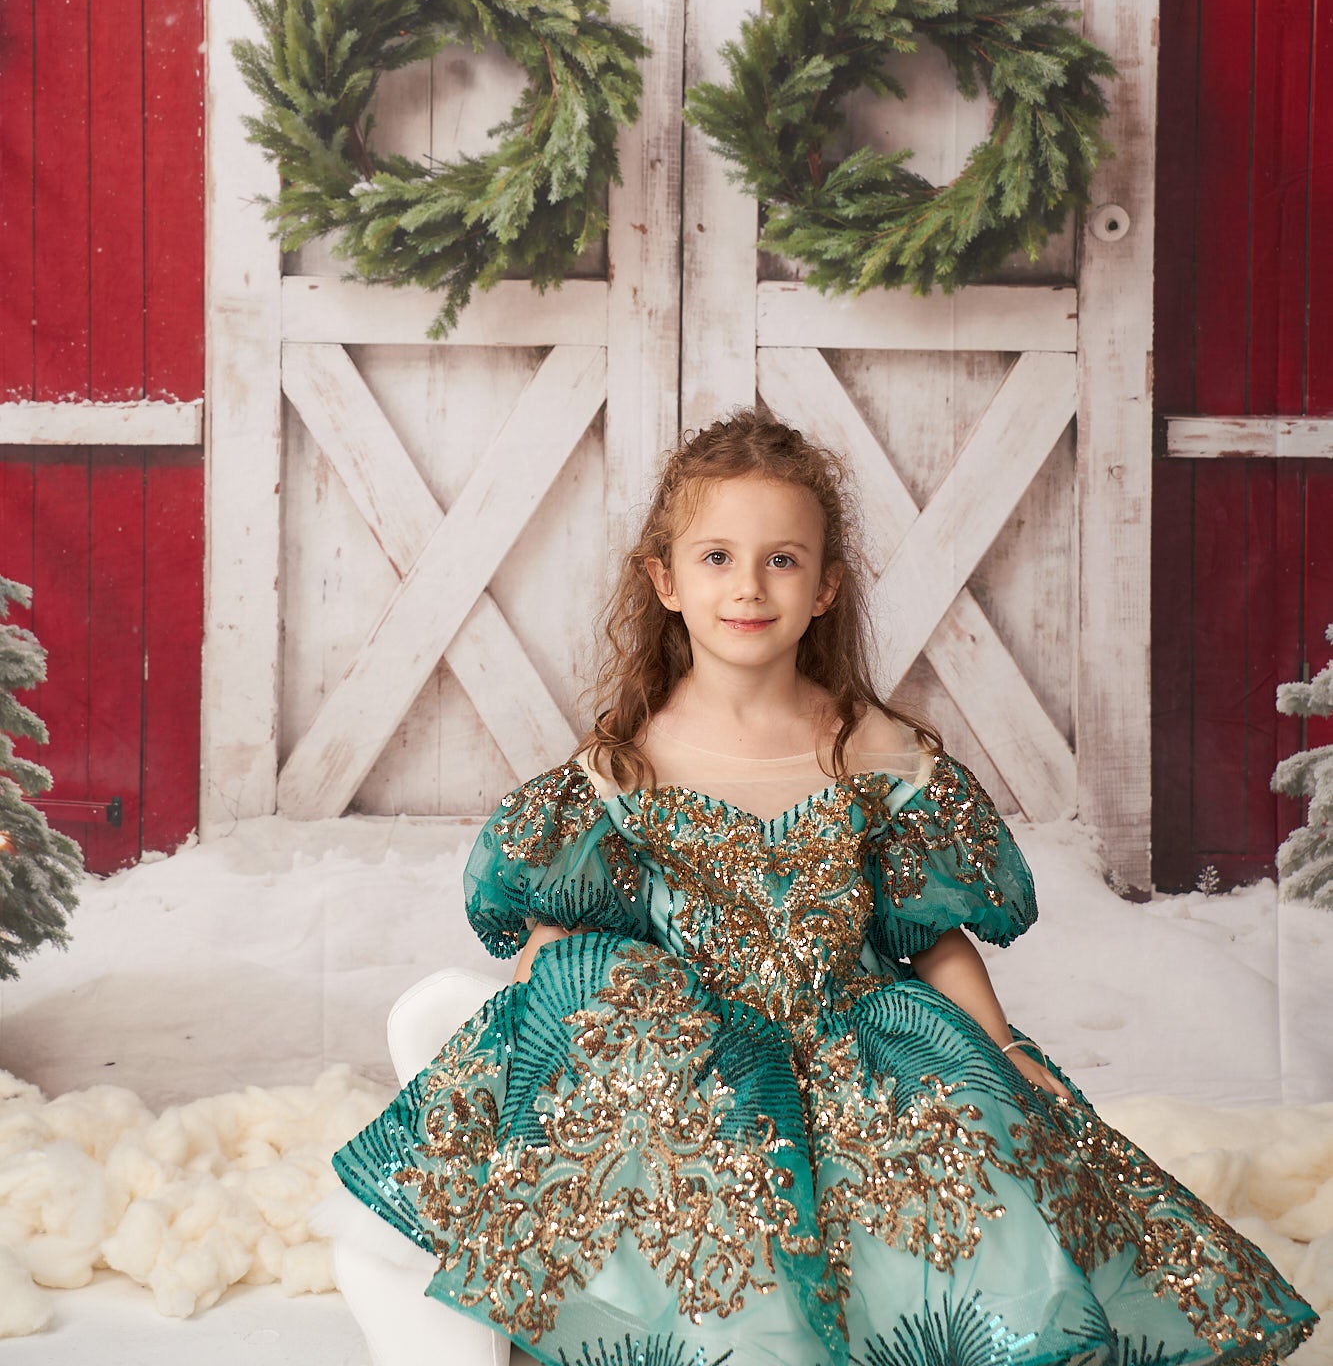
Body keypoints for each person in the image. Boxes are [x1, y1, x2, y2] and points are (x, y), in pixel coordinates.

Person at [333, 409, 1318, 1366]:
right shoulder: (621, 769)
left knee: (986, 1198)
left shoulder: (881, 752)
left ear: (824, 586)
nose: (748, 585)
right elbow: (557, 933)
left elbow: (931, 938)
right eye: (716, 556)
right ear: (664, 579)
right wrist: (554, 1032)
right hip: (699, 1075)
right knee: (641, 1100)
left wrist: (1007, 1051)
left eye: (782, 558)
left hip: (861, 1046)